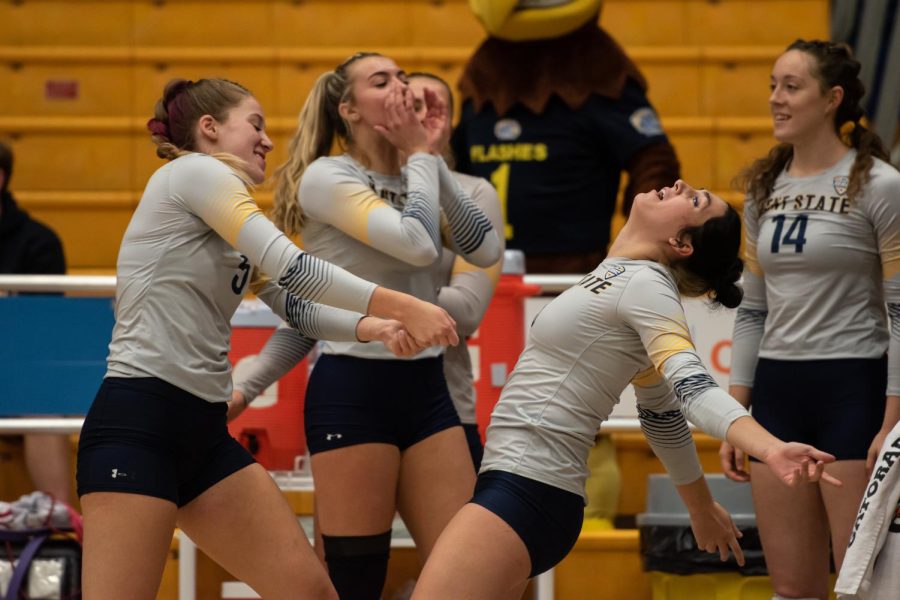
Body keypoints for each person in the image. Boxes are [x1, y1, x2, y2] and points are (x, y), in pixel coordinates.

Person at [74, 77, 459, 600]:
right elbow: (293, 266)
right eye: (255, 124)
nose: (267, 140)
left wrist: (375, 327)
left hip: (203, 433)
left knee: (312, 593)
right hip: (140, 422)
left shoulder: (218, 207)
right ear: (209, 129)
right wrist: (406, 305)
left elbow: (293, 305)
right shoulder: (195, 172)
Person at [411, 179, 843, 600]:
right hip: (530, 489)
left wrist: (769, 449)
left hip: (529, 488)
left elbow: (692, 389)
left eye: (693, 200)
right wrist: (700, 506)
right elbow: (661, 415)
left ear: (681, 243)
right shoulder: (626, 278)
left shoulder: (648, 285)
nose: (678, 184)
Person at [268, 53, 502, 598]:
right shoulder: (328, 177)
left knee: (470, 571)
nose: (401, 87)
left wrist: (425, 160)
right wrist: (422, 155)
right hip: (354, 386)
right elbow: (419, 245)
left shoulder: (424, 167)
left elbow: (485, 245)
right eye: (382, 81)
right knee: (356, 578)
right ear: (348, 109)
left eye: (402, 76)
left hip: (428, 388)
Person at [228, 72, 504, 472]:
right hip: (353, 391)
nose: (412, 112)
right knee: (349, 536)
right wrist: (248, 387)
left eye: (426, 105)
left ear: (449, 121)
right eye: (404, 101)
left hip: (445, 400)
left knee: (457, 535)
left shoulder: (475, 194)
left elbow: (466, 312)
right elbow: (314, 309)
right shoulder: (350, 188)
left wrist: (359, 293)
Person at [721, 39, 900, 600]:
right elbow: (753, 308)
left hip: (855, 390)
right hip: (778, 392)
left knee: (861, 584)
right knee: (793, 588)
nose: (776, 98)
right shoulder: (762, 189)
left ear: (832, 99)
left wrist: (892, 419)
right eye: (772, 85)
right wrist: (736, 411)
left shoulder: (881, 185)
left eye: (791, 86)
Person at [452, 0, 680, 274]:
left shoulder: (598, 66)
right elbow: (457, 168)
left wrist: (640, 246)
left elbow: (653, 161)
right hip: (485, 273)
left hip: (574, 274)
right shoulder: (486, 70)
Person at [0, 140, 74, 505]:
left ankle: (55, 519)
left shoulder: (39, 243)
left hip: (17, 373)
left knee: (41, 400)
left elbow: (41, 333)